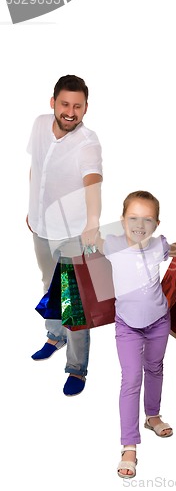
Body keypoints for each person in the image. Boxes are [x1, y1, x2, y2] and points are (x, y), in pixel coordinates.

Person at [96, 190, 176, 479]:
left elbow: (174, 248)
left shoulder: (158, 245)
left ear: (157, 224)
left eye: (147, 220)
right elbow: (93, 245)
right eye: (133, 218)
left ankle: (152, 416)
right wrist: (85, 240)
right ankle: (129, 445)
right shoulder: (112, 244)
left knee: (155, 368)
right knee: (131, 379)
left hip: (158, 321)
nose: (140, 225)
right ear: (122, 220)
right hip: (127, 325)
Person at [26, 74, 103, 396]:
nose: (70, 112)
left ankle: (76, 368)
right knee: (48, 284)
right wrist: (32, 208)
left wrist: (93, 223)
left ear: (86, 108)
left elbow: (93, 181)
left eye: (78, 106)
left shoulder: (88, 143)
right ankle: (54, 335)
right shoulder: (40, 124)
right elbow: (37, 169)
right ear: (53, 103)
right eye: (65, 104)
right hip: (41, 227)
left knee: (75, 302)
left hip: (73, 234)